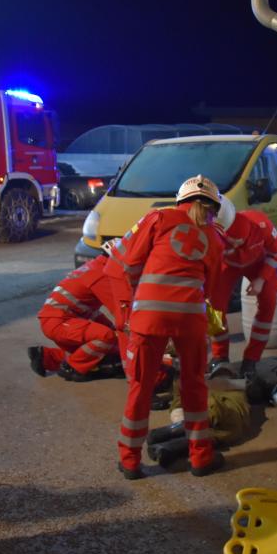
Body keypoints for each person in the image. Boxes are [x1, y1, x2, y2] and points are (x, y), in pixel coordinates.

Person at [105, 174, 225, 479]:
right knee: (194, 385)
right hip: (190, 318)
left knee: (141, 387)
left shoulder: (158, 218)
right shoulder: (215, 237)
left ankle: (130, 462)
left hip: (150, 316)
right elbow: (211, 288)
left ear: (180, 200)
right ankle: (201, 458)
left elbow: (127, 263)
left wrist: (136, 302)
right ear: (214, 207)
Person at [209, 197, 277, 378]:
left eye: (239, 242)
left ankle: (251, 359)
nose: (236, 246)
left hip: (258, 264)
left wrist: (261, 279)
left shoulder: (261, 224)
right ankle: (220, 356)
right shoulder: (215, 233)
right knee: (214, 308)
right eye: (232, 242)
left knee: (269, 301)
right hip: (227, 266)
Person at [31, 251, 122, 382]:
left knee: (91, 350)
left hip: (57, 320)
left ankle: (47, 357)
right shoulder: (101, 275)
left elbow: (90, 310)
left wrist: (112, 328)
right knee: (106, 337)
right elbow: (121, 310)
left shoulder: (94, 266)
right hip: (60, 322)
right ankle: (72, 368)